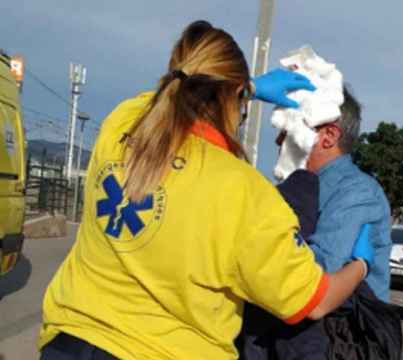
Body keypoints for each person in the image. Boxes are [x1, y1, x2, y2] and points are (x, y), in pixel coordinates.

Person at [38, 21, 376, 360]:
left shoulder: (123, 122)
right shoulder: (243, 192)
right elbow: (315, 301)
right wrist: (361, 263)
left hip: (68, 341)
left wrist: (248, 88)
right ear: (235, 99)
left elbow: (170, 93)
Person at [240, 87, 392, 359]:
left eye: (287, 131)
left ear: (328, 136)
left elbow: (311, 279)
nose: (277, 141)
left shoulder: (356, 192)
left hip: (338, 343)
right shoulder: (299, 187)